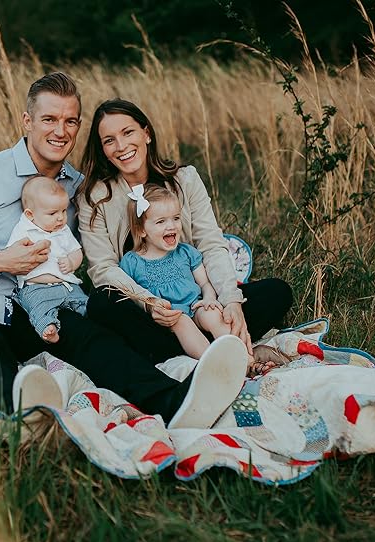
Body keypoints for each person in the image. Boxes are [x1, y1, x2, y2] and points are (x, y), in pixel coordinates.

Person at [0, 72, 248, 429]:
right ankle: (18, 425)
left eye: (70, 121)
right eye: (49, 119)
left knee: (96, 342)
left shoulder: (77, 190)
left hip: (44, 303)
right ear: (27, 121)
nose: (60, 131)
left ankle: (176, 401)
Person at [77, 98, 293, 367]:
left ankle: (202, 347)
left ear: (146, 133)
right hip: (146, 312)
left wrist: (230, 301)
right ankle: (214, 352)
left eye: (128, 132)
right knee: (102, 303)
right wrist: (150, 303)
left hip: (198, 305)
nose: (121, 146)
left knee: (276, 292)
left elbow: (210, 244)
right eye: (109, 140)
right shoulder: (95, 197)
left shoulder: (185, 179)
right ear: (102, 149)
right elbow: (103, 269)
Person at [119, 184, 232, 359]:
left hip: (195, 307)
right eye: (161, 221)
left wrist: (209, 298)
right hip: (167, 319)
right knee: (182, 320)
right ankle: (213, 361)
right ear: (141, 230)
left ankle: (239, 354)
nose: (171, 226)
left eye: (176, 218)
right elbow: (130, 295)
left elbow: (204, 282)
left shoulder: (185, 252)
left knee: (212, 314)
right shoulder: (132, 261)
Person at [7, 175, 88, 343]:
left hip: (67, 285)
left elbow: (76, 251)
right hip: (36, 287)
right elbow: (12, 255)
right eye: (52, 213)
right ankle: (48, 328)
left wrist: (72, 262)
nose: (60, 218)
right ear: (30, 215)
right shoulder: (23, 231)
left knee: (85, 304)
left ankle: (91, 318)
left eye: (64, 211)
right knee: (39, 308)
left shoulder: (62, 230)